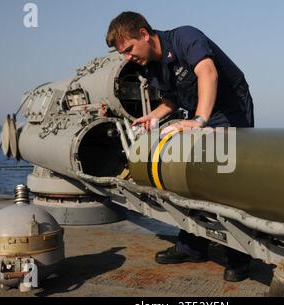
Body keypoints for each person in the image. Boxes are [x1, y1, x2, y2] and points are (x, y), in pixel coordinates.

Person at [106, 11, 255, 282]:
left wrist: (199, 120)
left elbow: (207, 73)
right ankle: (193, 245)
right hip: (201, 111)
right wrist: (154, 116)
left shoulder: (185, 36)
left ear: (143, 34)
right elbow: (172, 101)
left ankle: (240, 257)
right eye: (123, 54)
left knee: (227, 179)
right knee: (193, 178)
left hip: (229, 108)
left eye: (129, 49)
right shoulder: (150, 65)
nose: (127, 57)